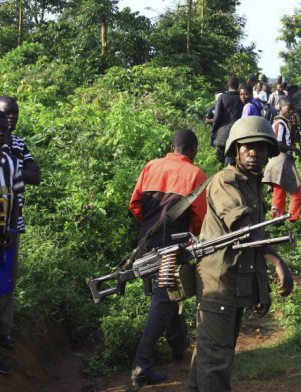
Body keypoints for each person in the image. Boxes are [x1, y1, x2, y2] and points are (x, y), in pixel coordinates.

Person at [188, 116, 293, 391]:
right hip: (218, 283)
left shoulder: (253, 183)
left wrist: (262, 290)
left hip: (234, 282)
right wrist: (277, 260)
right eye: (248, 147)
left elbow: (251, 245)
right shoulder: (225, 181)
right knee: (215, 361)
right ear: (235, 149)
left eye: (261, 148)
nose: (255, 153)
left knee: (211, 354)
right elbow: (244, 229)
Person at [129, 129, 207, 387]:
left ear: (173, 146)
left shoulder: (150, 166)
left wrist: (150, 230)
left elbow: (135, 205)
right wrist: (190, 240)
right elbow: (200, 217)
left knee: (171, 295)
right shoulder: (195, 174)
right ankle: (142, 368)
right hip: (175, 247)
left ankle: (178, 348)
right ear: (193, 149)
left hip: (147, 242)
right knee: (163, 300)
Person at [0, 96, 40, 351]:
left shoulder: (18, 145)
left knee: (7, 279)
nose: (11, 119)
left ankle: (3, 331)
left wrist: (13, 171)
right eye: (5, 114)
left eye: (15, 115)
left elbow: (35, 175)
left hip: (11, 222)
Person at [0, 108, 22, 374]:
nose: (1, 134)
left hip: (5, 237)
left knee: (1, 290)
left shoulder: (10, 162)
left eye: (4, 130)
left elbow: (15, 198)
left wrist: (12, 229)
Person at [263, 97, 301, 222]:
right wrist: (295, 150)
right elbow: (278, 144)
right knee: (296, 193)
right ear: (280, 108)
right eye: (288, 108)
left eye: (292, 108)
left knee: (279, 193)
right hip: (281, 161)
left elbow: (290, 139)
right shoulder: (280, 123)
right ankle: (292, 219)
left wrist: (294, 127)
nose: (291, 111)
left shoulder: (285, 123)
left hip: (278, 162)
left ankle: (275, 221)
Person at [211, 76, 243, 166]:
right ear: (237, 86)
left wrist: (213, 131)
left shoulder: (222, 97)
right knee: (231, 164)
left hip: (222, 135)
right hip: (236, 135)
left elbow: (216, 117)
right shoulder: (242, 98)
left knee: (219, 164)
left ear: (227, 86)